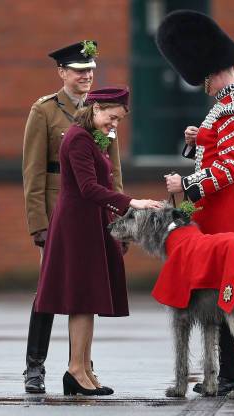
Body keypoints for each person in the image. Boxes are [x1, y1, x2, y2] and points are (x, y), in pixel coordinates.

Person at [156, 10, 234, 396]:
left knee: (230, 296)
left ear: (213, 71)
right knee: (221, 295)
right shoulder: (228, 104)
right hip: (218, 213)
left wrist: (185, 184)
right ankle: (227, 375)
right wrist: (198, 138)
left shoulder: (233, 107)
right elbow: (217, 151)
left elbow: (232, 167)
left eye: (203, 77)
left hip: (226, 214)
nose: (203, 85)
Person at [34, 87, 162, 396]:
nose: (114, 124)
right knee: (81, 299)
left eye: (119, 120)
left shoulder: (92, 137)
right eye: (111, 117)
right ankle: (76, 370)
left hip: (90, 222)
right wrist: (133, 203)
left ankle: (83, 369)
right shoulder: (78, 138)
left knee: (87, 299)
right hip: (77, 225)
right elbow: (89, 187)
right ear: (95, 109)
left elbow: (103, 177)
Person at [21, 40, 123, 393]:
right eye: (79, 71)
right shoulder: (44, 111)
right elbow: (33, 172)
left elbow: (112, 171)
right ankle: (35, 366)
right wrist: (39, 224)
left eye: (90, 70)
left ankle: (80, 366)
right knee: (49, 289)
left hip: (94, 212)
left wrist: (119, 216)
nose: (86, 76)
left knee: (84, 288)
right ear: (62, 72)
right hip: (58, 211)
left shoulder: (104, 110)